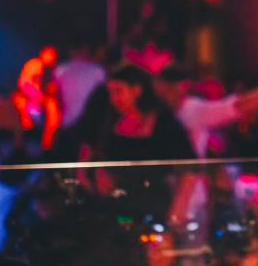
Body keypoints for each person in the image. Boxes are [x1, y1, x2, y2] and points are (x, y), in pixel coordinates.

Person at [78, 65, 196, 220]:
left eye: (118, 91)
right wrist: (94, 173)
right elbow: (91, 149)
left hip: (153, 204)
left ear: (136, 90)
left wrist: (180, 204)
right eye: (110, 93)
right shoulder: (109, 119)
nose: (113, 99)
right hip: (114, 204)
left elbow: (189, 167)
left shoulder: (163, 122)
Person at [154, 65, 258, 159]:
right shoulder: (155, 113)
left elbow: (237, 106)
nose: (167, 93)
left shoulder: (194, 109)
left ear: (184, 86)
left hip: (191, 173)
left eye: (171, 87)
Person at [52, 35, 106, 130]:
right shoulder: (98, 71)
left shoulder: (59, 71)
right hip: (90, 126)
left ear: (70, 50)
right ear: (86, 49)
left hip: (66, 123)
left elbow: (56, 99)